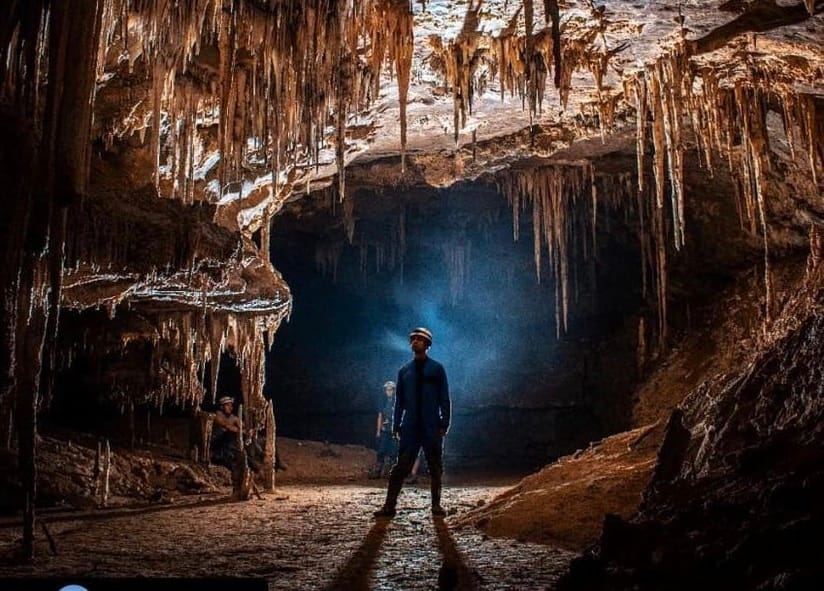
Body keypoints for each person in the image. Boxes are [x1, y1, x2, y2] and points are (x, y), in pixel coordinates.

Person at [374, 327, 450, 518]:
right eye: (413, 339)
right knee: (401, 466)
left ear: (427, 344)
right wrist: (396, 425)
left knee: (435, 466)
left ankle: (436, 506)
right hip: (411, 425)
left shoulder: (437, 369)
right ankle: (389, 506)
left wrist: (444, 423)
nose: (415, 341)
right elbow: (399, 401)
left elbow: (444, 398)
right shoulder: (404, 371)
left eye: (419, 339)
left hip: (431, 424)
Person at [370, 380, 398, 478]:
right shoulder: (383, 402)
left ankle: (392, 472)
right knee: (381, 450)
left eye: (391, 390)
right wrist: (378, 430)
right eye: (387, 390)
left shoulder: (398, 402)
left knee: (394, 451)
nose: (389, 391)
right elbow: (380, 416)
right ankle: (378, 470)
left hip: (395, 430)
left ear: (394, 391)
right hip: (385, 429)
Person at [210, 395, 242, 469]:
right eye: (227, 405)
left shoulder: (232, 417)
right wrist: (241, 431)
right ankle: (218, 457)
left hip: (227, 444)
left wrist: (249, 429)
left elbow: (241, 424)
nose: (230, 408)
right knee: (229, 434)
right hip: (216, 443)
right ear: (222, 407)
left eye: (231, 406)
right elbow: (227, 426)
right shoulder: (218, 415)